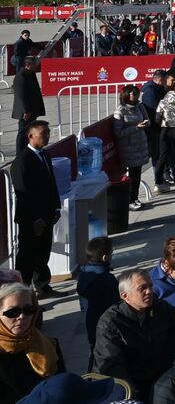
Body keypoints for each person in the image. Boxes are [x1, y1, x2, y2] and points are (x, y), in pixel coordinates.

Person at [93, 270, 175, 403]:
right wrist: (133, 396)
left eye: (150, 286)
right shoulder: (110, 323)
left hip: (160, 378)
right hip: (130, 384)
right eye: (142, 288)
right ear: (125, 296)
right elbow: (111, 366)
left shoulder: (159, 307)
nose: (149, 291)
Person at [9, 121, 61, 294]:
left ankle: (42, 286)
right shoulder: (22, 161)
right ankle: (22, 291)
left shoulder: (45, 155)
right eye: (43, 133)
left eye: (47, 132)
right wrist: (35, 219)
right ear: (30, 136)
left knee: (43, 252)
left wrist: (56, 207)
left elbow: (51, 183)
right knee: (27, 256)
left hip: (47, 213)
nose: (47, 136)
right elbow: (23, 193)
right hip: (31, 218)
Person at [0, 283, 64, 402]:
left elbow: (62, 386)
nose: (22, 316)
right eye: (12, 312)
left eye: (29, 310)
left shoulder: (49, 344)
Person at [75, 236, 118, 357]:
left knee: (95, 352)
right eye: (111, 253)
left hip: (91, 323)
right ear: (105, 257)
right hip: (107, 325)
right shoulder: (107, 280)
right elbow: (115, 305)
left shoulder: (83, 275)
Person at [112, 84, 151, 211]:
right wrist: (136, 128)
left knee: (137, 174)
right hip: (129, 147)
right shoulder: (120, 111)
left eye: (137, 93)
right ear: (127, 95)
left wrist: (146, 123)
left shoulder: (139, 106)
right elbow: (119, 132)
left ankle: (135, 198)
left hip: (141, 144)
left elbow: (147, 118)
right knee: (132, 175)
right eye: (134, 93)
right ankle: (129, 200)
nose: (137, 95)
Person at [10, 56, 43, 155]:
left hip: (32, 109)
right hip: (26, 111)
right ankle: (19, 154)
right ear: (27, 65)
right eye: (33, 64)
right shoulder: (21, 77)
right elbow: (20, 96)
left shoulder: (31, 74)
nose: (36, 66)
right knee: (22, 133)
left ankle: (29, 150)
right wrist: (25, 110)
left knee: (31, 131)